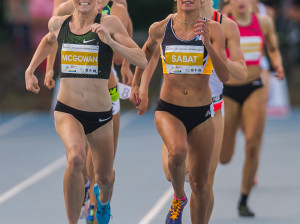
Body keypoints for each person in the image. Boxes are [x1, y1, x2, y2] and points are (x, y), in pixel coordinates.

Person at [25, 1, 147, 224]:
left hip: (100, 114)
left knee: (105, 177)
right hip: (67, 110)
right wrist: (31, 69)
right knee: (76, 157)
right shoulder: (59, 23)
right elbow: (48, 40)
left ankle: (103, 203)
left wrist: (111, 42)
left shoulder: (110, 23)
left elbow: (142, 59)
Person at [130, 0, 230, 223]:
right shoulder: (160, 28)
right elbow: (145, 52)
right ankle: (178, 198)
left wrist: (208, 44)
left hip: (202, 113)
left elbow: (224, 75)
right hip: (169, 109)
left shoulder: (213, 29)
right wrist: (137, 83)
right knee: (177, 152)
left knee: (200, 183)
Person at [219, 0, 285, 217]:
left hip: (255, 86)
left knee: (253, 144)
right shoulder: (222, 23)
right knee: (224, 157)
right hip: (228, 89)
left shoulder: (264, 23)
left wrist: (277, 64)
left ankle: (244, 200)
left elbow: (273, 49)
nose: (241, 2)